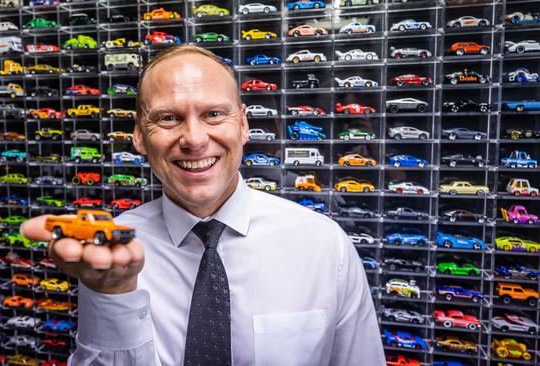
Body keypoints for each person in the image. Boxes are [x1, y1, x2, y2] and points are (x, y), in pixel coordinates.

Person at [21, 45, 385, 365]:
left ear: (243, 125)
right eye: (168, 118)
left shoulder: (324, 246)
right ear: (138, 135)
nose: (194, 139)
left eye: (213, 114)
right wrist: (113, 295)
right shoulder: (114, 252)